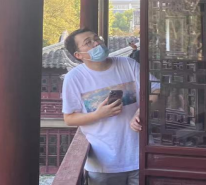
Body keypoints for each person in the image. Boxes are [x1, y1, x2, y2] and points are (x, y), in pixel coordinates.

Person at [62, 29, 149, 185]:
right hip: (103, 165)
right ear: (78, 55)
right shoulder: (74, 78)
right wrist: (99, 114)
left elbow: (155, 90)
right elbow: (69, 118)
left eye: (97, 38)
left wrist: (140, 111)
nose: (96, 43)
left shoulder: (128, 64)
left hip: (139, 157)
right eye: (88, 42)